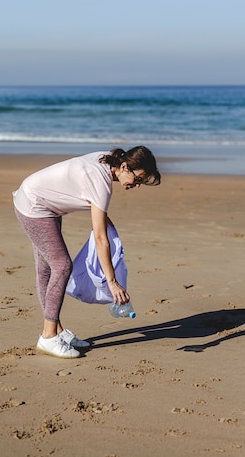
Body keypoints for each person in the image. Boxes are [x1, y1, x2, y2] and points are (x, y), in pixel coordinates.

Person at [13, 146, 161, 359]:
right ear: (125, 166)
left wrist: (103, 217)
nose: (136, 185)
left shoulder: (107, 160)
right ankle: (47, 336)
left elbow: (85, 191)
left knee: (47, 269)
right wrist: (112, 281)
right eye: (137, 179)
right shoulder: (102, 182)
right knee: (62, 266)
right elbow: (100, 239)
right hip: (34, 207)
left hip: (42, 202)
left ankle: (57, 331)